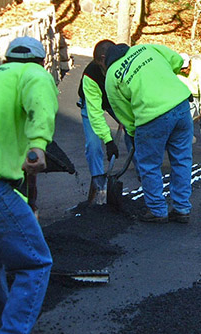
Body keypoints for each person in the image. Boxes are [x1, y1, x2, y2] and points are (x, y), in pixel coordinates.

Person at [0, 36, 58, 334]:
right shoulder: (31, 73)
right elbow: (39, 94)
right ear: (39, 61)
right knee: (35, 263)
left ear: (6, 57)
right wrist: (39, 145)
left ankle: (1, 326)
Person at [104, 43, 193, 223]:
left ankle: (158, 210)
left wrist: (133, 133)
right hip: (181, 106)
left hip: (151, 118)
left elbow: (123, 112)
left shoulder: (112, 75)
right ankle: (182, 208)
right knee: (182, 159)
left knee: (149, 165)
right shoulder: (147, 48)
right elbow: (177, 61)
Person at [77, 38, 133, 204]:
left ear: (104, 58)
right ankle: (99, 182)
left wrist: (127, 117)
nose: (102, 69)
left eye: (102, 64)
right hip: (92, 102)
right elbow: (95, 113)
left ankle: (143, 172)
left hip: (116, 101)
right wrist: (109, 141)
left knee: (133, 132)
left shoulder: (124, 64)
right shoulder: (91, 74)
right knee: (93, 145)